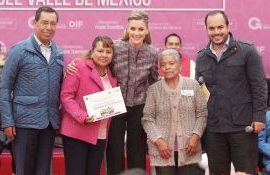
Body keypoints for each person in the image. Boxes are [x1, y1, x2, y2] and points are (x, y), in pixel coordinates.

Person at [66, 10, 158, 174]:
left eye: (141, 29)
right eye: (133, 29)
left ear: (147, 31)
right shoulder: (115, 47)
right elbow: (95, 57)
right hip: (115, 106)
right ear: (127, 29)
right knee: (114, 150)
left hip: (139, 107)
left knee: (137, 150)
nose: (136, 33)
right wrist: (75, 63)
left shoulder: (152, 52)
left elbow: (154, 80)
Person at [195, 10, 267, 175]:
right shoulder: (201, 57)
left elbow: (259, 86)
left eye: (220, 27)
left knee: (245, 172)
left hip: (243, 126)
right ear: (206, 29)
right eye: (211, 28)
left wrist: (259, 117)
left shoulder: (247, 51)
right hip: (214, 128)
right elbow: (200, 92)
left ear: (228, 27)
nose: (216, 32)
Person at [0, 6, 64, 175]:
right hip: (24, 122)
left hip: (49, 122)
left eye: (53, 24)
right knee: (25, 170)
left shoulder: (59, 53)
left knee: (43, 171)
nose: (49, 27)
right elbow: (5, 87)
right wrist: (7, 121)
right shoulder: (18, 50)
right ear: (35, 23)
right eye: (44, 23)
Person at [142, 49, 207, 175]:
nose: (167, 67)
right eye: (163, 65)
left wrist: (195, 136)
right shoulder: (154, 90)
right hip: (163, 152)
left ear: (180, 65)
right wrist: (159, 141)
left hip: (189, 150)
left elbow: (202, 113)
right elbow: (147, 119)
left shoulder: (193, 85)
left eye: (171, 63)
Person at [60, 36, 117, 175]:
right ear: (92, 52)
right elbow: (66, 96)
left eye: (108, 52)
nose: (104, 55)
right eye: (100, 50)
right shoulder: (79, 66)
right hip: (77, 132)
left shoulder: (112, 73)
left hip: (100, 135)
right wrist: (82, 116)